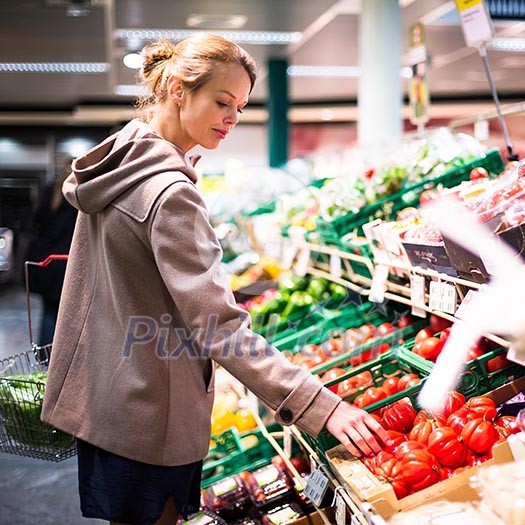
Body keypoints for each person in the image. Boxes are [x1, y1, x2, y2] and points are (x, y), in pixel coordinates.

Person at [41, 34, 391, 525]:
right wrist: (319, 405)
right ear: (178, 90)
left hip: (112, 394)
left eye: (241, 107)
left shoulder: (120, 162)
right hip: (152, 413)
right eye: (222, 102)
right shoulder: (169, 194)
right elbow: (220, 328)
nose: (232, 117)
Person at [26, 158, 77, 350]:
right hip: (69, 262)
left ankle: (45, 356)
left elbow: (36, 224)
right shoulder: (79, 197)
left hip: (48, 263)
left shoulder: (50, 193)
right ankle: (66, 357)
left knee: (48, 312)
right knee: (71, 314)